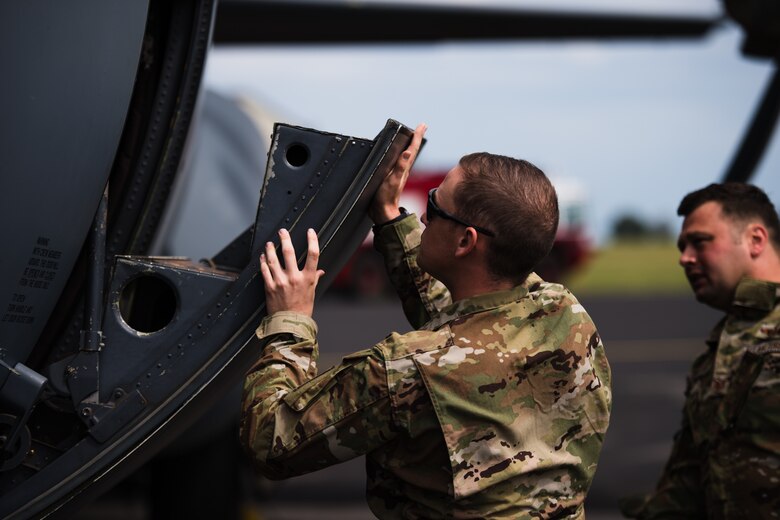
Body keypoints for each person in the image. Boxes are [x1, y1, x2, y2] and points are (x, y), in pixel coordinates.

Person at [240, 123, 612, 519]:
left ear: (466, 241)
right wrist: (389, 216)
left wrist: (290, 322)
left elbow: (272, 441)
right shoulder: (566, 313)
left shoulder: (407, 370)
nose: (423, 213)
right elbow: (460, 331)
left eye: (434, 207)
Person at [622, 183, 780, 518]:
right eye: (682, 246)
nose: (685, 258)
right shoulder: (718, 350)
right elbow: (690, 477)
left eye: (700, 242)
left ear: (756, 240)